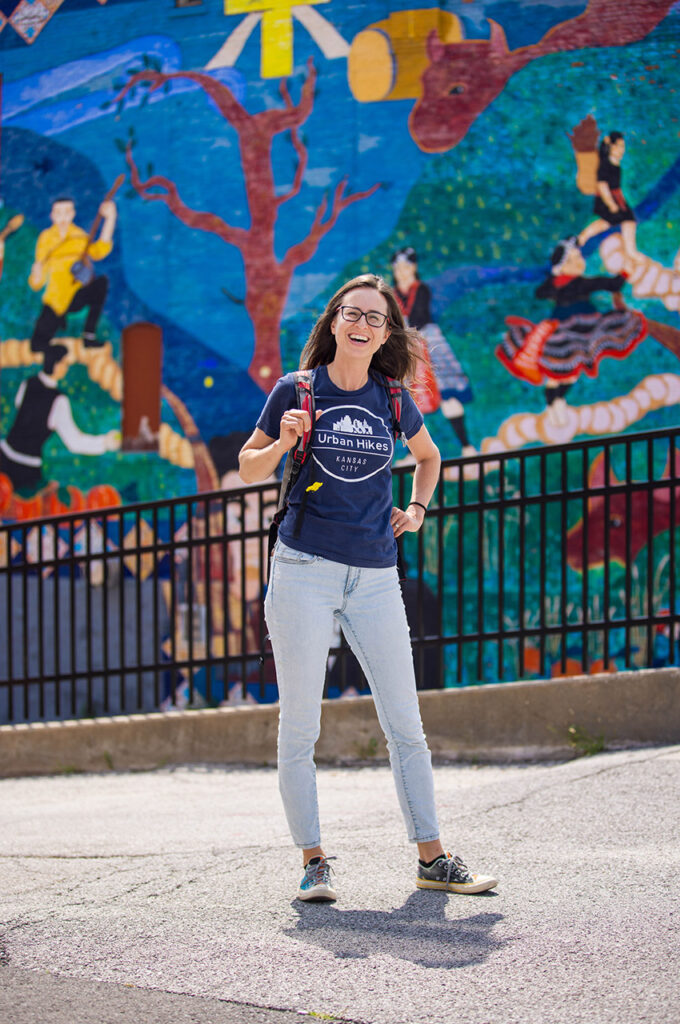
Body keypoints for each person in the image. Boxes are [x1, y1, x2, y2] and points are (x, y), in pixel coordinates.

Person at [239, 273, 498, 902]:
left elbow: (430, 456)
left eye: (375, 319)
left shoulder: (391, 395)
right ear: (333, 322)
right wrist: (283, 438)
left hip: (378, 575)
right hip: (303, 569)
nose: (362, 325)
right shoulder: (296, 390)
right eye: (352, 314)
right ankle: (314, 860)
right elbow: (247, 465)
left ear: (386, 333)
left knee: (405, 723)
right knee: (301, 726)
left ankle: (432, 859)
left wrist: (416, 508)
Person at [496, 236, 645, 426]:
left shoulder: (566, 283)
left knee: (567, 370)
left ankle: (555, 402)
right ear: (562, 266)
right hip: (567, 331)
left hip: (580, 329)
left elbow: (541, 293)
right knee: (562, 370)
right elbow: (611, 284)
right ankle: (554, 403)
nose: (579, 262)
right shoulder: (575, 283)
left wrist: (625, 273)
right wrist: (625, 272)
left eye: (579, 258)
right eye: (573, 259)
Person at [0, 343, 120, 494]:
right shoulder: (59, 401)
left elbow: (20, 408)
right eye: (65, 363)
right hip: (26, 472)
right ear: (55, 365)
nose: (67, 367)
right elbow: (74, 442)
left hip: (3, 457)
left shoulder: (28, 383)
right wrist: (105, 443)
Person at [391, 247, 475, 455]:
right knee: (413, 401)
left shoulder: (422, 289)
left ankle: (466, 445)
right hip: (406, 349)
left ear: (414, 268)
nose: (402, 272)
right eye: (398, 268)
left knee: (448, 393)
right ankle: (414, 454)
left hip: (429, 343)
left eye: (406, 267)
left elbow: (418, 317)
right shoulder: (391, 295)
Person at [28, 195, 116, 356]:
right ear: (52, 215)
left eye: (67, 212)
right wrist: (37, 274)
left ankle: (88, 335)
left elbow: (99, 251)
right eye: (58, 213)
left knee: (101, 283)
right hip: (56, 300)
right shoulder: (46, 238)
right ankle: (58, 344)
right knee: (37, 346)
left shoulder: (79, 236)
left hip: (76, 295)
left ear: (73, 214)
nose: (62, 217)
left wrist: (110, 219)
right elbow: (37, 282)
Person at [577, 132, 641, 269]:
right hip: (607, 200)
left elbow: (616, 186)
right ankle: (631, 251)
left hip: (617, 198)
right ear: (610, 146)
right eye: (619, 146)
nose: (622, 150)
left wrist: (620, 201)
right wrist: (611, 203)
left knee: (609, 222)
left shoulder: (616, 165)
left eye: (623, 147)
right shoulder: (605, 165)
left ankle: (630, 250)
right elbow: (602, 185)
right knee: (621, 221)